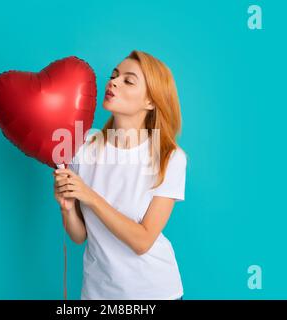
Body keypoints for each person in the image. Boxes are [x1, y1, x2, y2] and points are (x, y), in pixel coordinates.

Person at [53, 50, 187, 300]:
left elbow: (142, 241)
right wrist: (68, 207)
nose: (113, 82)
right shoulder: (83, 145)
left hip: (154, 292)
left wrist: (89, 196)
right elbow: (80, 236)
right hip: (97, 293)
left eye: (128, 80)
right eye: (114, 75)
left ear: (150, 101)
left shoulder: (169, 157)